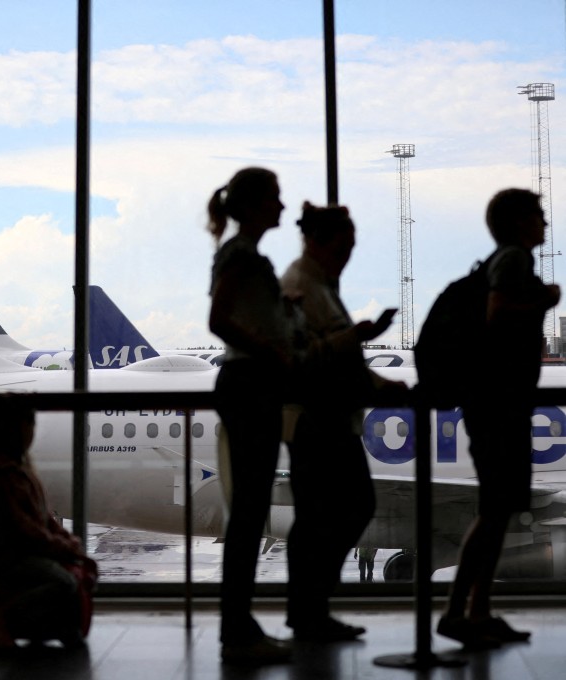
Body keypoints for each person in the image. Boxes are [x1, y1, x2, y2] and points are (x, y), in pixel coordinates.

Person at [436, 188, 559, 648]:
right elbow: (499, 312)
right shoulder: (514, 261)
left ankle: (475, 611)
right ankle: (462, 612)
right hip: (498, 409)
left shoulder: (500, 261)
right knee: (492, 517)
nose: (546, 223)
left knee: (494, 515)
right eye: (539, 216)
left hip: (493, 406)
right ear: (518, 223)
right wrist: (546, 301)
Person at [279, 202, 405, 641]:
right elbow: (301, 357)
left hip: (333, 419)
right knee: (338, 513)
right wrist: (359, 336)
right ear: (319, 241)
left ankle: (311, 609)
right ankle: (309, 610)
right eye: (344, 246)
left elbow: (338, 357)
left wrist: (378, 384)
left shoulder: (321, 285)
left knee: (329, 516)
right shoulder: (301, 286)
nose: (348, 255)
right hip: (316, 422)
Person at [206, 168, 294, 664]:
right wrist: (271, 352)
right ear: (257, 205)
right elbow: (219, 320)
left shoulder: (240, 253)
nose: (283, 207)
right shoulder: (241, 255)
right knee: (248, 516)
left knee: (249, 514)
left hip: (249, 386)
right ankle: (237, 629)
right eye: (275, 198)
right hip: (250, 386)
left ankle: (237, 625)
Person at [0, 403, 97, 651]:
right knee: (65, 583)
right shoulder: (6, 474)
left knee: (77, 573)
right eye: (29, 425)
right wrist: (62, 546)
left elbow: (43, 519)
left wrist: (66, 540)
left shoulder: (20, 470)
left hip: (28, 550)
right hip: (15, 557)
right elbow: (25, 529)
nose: (32, 432)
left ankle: (48, 625)